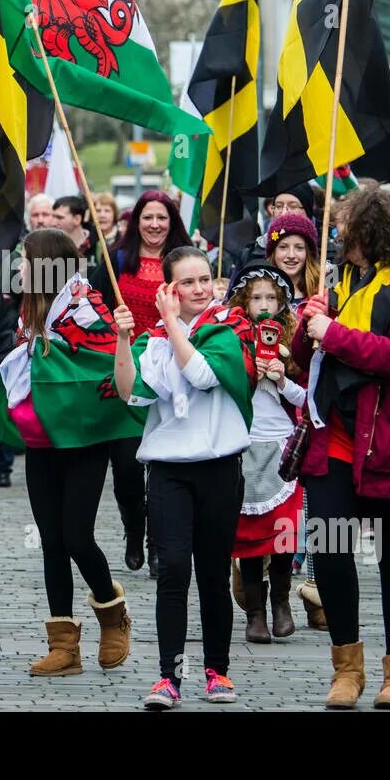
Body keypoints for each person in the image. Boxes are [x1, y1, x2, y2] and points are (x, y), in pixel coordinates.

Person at [292, 187, 390, 710]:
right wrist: (309, 322)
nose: (338, 239)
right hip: (335, 439)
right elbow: (304, 357)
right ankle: (347, 669)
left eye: (346, 230)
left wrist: (332, 331)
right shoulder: (344, 285)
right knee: (332, 552)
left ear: (374, 233)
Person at [0, 229, 138, 677]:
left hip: (84, 439)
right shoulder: (32, 307)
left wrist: (49, 357)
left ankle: (111, 610)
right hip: (43, 440)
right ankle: (64, 646)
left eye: (26, 261)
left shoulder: (86, 303)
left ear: (49, 264)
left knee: (77, 537)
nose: (20, 269)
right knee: (51, 541)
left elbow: (103, 365)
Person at [114, 247, 254, 710]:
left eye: (205, 280)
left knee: (213, 575)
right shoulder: (152, 339)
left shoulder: (228, 327)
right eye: (187, 283)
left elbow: (203, 374)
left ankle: (217, 670)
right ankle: (168, 678)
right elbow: (129, 391)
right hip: (168, 470)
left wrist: (172, 323)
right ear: (169, 290)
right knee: (173, 570)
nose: (199, 290)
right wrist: (121, 339)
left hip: (219, 467)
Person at [91, 190, 193, 577]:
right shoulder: (116, 258)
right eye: (148, 217)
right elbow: (93, 308)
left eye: (162, 218)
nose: (155, 225)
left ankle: (158, 543)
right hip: (127, 372)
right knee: (128, 470)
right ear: (136, 221)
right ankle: (135, 528)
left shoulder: (186, 259)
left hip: (175, 373)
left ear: (172, 222)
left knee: (165, 468)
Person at [225, 261, 303, 643]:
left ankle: (282, 602)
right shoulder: (232, 338)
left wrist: (282, 378)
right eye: (256, 297)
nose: (264, 304)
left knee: (283, 531)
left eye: (271, 297)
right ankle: (254, 611)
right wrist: (250, 373)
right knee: (250, 535)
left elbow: (307, 396)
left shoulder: (294, 339)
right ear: (244, 300)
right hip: (245, 442)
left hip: (283, 445)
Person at [263, 210, 326, 626]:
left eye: (299, 247)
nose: (290, 254)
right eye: (282, 247)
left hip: (310, 409)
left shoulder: (323, 296)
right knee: (270, 503)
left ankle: (317, 594)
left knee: (315, 507)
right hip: (268, 412)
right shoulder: (261, 293)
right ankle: (259, 581)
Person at [52, 194, 96, 271]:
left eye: (59, 217)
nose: (53, 223)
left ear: (77, 219)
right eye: (53, 217)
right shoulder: (48, 246)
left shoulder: (99, 244)